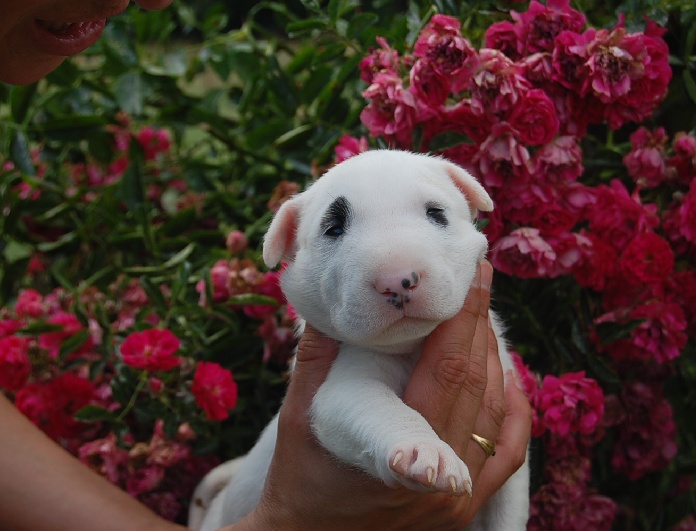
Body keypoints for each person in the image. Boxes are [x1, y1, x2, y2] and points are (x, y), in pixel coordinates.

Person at [0, 1, 533, 529]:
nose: (397, 276)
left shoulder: (475, 331)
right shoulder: (349, 360)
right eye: (334, 230)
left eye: (436, 214)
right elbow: (344, 405)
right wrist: (402, 441)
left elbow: (507, 457)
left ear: (470, 206)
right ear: (289, 249)